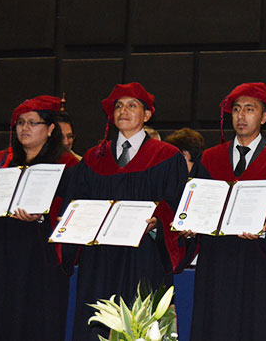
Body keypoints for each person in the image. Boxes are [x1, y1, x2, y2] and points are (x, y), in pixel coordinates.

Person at [62, 82, 187, 341]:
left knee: (140, 325)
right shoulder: (93, 158)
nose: (123, 111)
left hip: (144, 257)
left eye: (132, 105)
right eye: (118, 106)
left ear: (147, 114)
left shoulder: (166, 156)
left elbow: (176, 204)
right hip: (99, 258)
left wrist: (158, 222)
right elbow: (75, 204)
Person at [180, 83, 266, 341]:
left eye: (249, 109)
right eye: (236, 109)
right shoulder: (209, 160)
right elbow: (193, 206)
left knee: (255, 326)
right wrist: (188, 228)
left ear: (264, 117)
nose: (241, 116)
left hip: (258, 265)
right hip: (215, 263)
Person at [0, 95, 79, 341]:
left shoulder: (68, 167)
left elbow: (72, 215)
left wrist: (43, 217)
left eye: (32, 122)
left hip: (40, 259)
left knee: (35, 321)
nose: (24, 128)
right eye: (20, 123)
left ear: (50, 129)